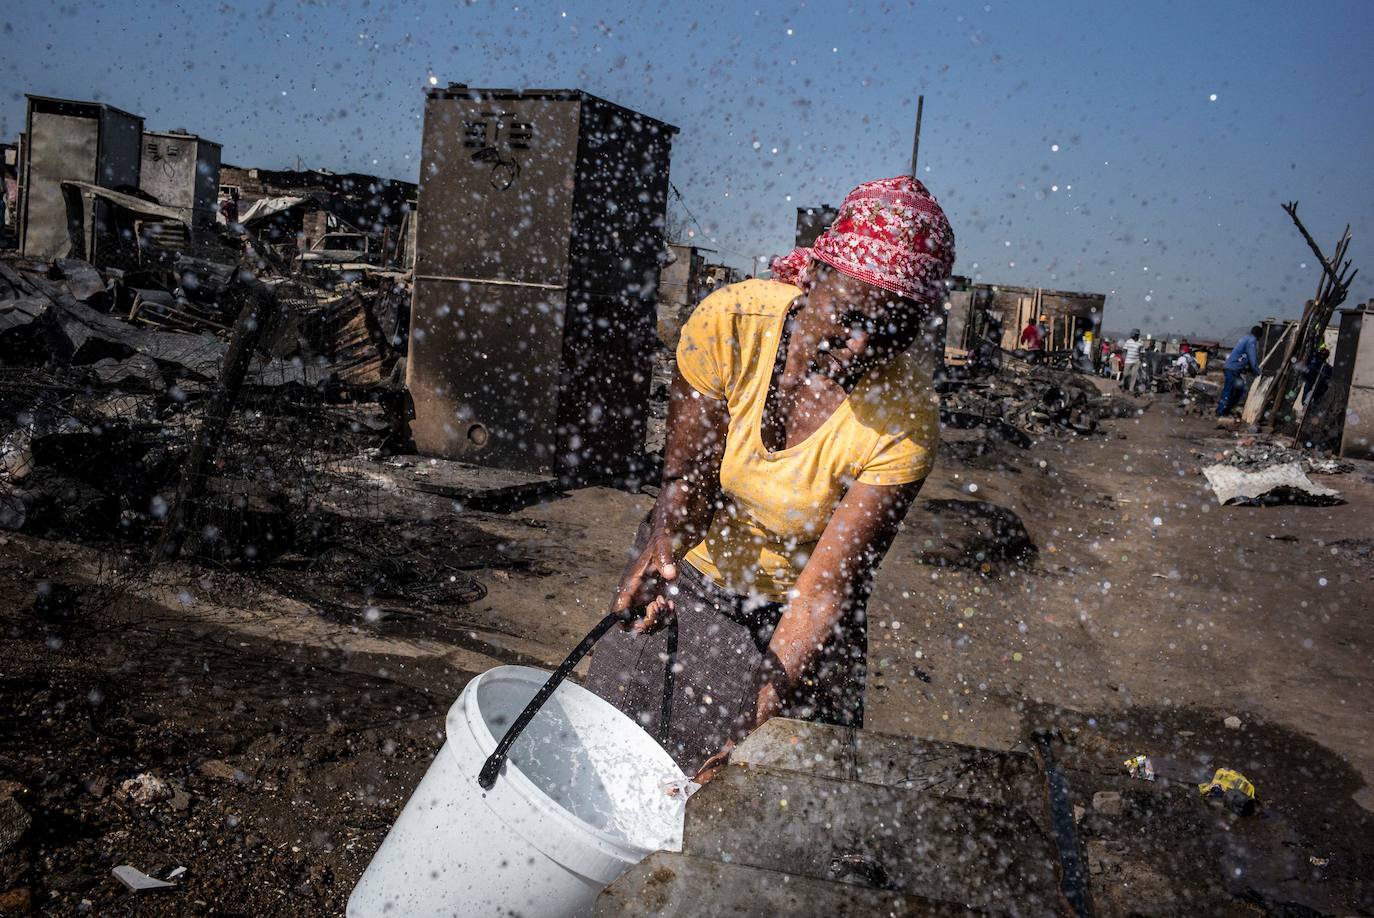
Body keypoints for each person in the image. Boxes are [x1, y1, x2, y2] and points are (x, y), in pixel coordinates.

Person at [585, 176, 955, 780]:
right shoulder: (732, 322)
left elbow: (826, 590)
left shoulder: (906, 419)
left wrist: (766, 709)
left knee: (759, 804)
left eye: (891, 331)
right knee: (618, 763)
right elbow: (686, 485)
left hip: (799, 618)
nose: (862, 344)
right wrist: (664, 556)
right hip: (700, 576)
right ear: (813, 279)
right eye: (853, 315)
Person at [1216, 325, 1261, 417]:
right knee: (1229, 390)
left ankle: (1225, 409)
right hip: (1233, 369)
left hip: (1231, 368)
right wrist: (1257, 371)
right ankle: (1221, 412)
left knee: (1238, 389)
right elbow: (1252, 358)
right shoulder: (1251, 341)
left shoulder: (1245, 338)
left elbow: (1244, 357)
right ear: (1258, 335)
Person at [1301, 343, 1332, 408]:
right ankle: (1306, 405)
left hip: (1318, 383)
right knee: (1307, 395)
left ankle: (1311, 405)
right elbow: (1308, 369)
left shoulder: (1327, 367)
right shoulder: (1313, 360)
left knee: (1316, 396)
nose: (1322, 356)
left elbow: (1327, 377)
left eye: (1324, 355)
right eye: (1321, 354)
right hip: (1311, 380)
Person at [1120, 329, 1144, 393]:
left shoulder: (1141, 342)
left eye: (1133, 334)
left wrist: (1140, 360)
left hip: (1136, 361)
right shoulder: (1128, 341)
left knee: (1134, 375)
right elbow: (1124, 350)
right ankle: (1123, 386)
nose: (1132, 335)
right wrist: (1124, 358)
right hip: (1128, 360)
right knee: (1125, 374)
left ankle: (1131, 389)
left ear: (1136, 335)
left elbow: (1142, 352)